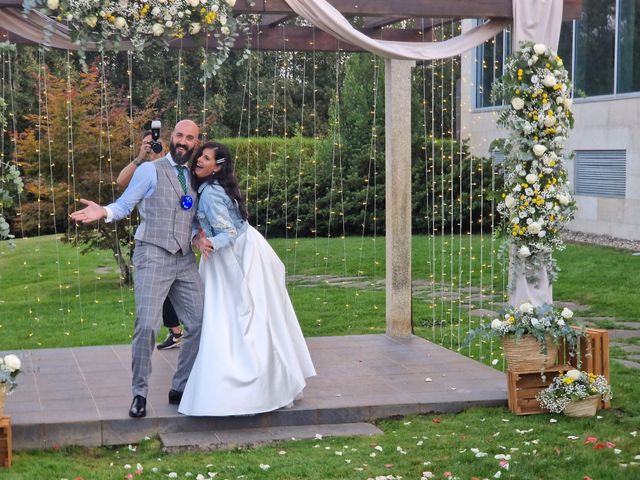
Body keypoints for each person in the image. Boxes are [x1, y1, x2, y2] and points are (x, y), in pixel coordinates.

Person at [70, 120, 208, 418]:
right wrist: (103, 211)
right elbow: (124, 204)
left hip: (184, 259)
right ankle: (139, 394)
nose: (184, 141)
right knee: (146, 326)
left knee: (200, 323)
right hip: (153, 254)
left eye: (190, 138)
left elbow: (193, 214)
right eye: (180, 136)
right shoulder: (149, 171)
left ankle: (180, 386)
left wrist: (198, 233)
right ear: (172, 138)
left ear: (197, 142)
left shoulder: (195, 176)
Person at [178, 142, 316, 416]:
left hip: (238, 256)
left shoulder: (211, 194)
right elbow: (198, 219)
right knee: (235, 317)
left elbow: (228, 233)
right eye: (200, 157)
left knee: (243, 316)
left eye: (206, 159)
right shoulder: (204, 189)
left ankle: (255, 384)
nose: (199, 162)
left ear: (218, 166)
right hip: (233, 251)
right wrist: (197, 235)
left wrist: (206, 244)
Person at [117, 130, 183, 351]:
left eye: (155, 144)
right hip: (152, 241)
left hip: (175, 242)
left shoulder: (171, 167)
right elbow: (120, 182)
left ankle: (180, 332)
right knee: (158, 293)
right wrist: (140, 156)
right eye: (147, 143)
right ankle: (176, 332)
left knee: (174, 291)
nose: (152, 147)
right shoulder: (143, 169)